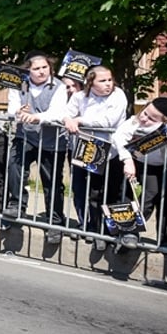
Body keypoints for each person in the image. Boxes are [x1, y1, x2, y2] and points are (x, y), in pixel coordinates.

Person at [2, 51, 70, 230]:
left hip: (52, 140)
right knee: (14, 167)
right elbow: (12, 107)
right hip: (24, 135)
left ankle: (55, 221)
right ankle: (16, 206)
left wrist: (37, 117)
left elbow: (57, 112)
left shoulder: (59, 86)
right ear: (28, 70)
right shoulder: (19, 84)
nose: (41, 71)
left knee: (51, 181)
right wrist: (18, 112)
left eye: (45, 67)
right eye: (36, 68)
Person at [62, 66, 129, 245]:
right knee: (88, 191)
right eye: (102, 81)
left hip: (112, 150)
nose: (108, 84)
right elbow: (66, 115)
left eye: (109, 79)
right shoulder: (79, 97)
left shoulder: (118, 95)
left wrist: (80, 120)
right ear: (90, 82)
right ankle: (93, 227)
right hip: (86, 149)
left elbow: (108, 121)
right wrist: (68, 119)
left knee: (111, 192)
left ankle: (114, 231)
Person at [112, 96, 167, 247]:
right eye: (145, 112)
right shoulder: (135, 121)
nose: (144, 118)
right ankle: (129, 232)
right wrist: (127, 160)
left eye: (151, 118)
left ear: (164, 121)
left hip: (164, 166)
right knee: (142, 198)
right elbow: (119, 136)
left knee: (165, 202)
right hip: (140, 162)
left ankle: (166, 240)